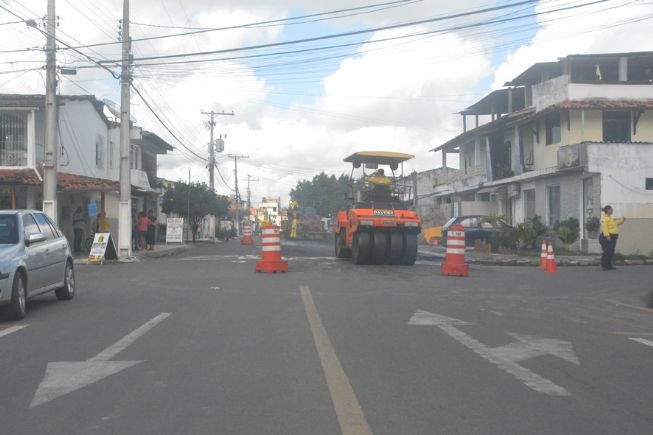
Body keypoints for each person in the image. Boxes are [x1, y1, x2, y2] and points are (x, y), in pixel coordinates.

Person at [599, 205, 626, 270]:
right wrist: (607, 236)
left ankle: (609, 265)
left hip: (613, 237)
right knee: (607, 252)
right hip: (606, 237)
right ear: (608, 210)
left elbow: (615, 223)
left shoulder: (610, 217)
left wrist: (622, 220)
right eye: (611, 209)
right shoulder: (603, 218)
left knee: (611, 251)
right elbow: (604, 227)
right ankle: (604, 266)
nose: (612, 210)